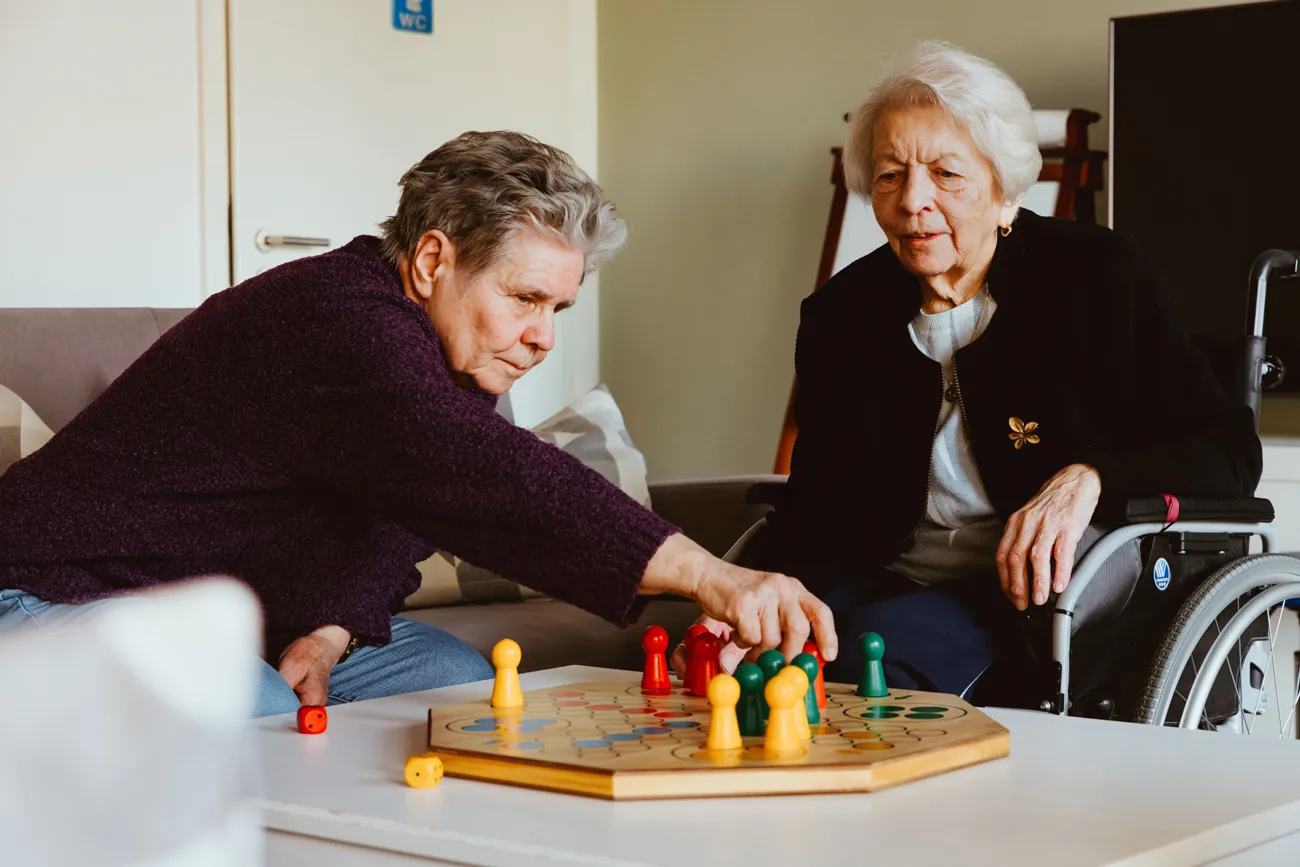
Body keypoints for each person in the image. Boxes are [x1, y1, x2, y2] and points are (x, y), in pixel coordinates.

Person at [0, 131, 837, 716]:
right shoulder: (336, 318)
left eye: (559, 307)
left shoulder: (443, 351)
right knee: (243, 704)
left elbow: (398, 509)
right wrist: (711, 576)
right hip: (49, 595)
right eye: (524, 298)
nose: (544, 335)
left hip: (222, 615)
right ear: (433, 258)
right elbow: (480, 473)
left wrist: (330, 629)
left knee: (451, 677)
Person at [685, 42, 1262, 698]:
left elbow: (1229, 450)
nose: (912, 201)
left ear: (1003, 190)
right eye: (890, 174)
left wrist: (1091, 477)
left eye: (946, 174)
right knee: (754, 661)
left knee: (857, 662)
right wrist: (746, 594)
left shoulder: (1097, 279)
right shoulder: (841, 315)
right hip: (883, 577)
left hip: (1029, 595)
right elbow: (817, 506)